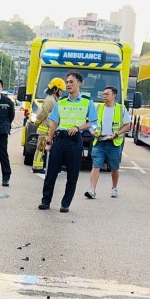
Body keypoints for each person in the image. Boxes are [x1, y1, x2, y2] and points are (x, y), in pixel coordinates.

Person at [39, 71, 97, 213]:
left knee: (72, 174)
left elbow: (93, 123)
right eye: (67, 82)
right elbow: (54, 124)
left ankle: (65, 204)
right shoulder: (61, 102)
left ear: (79, 83)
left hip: (75, 141)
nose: (68, 84)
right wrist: (49, 142)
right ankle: (45, 201)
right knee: (51, 173)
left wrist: (78, 128)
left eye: (71, 82)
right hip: (60, 139)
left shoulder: (87, 103)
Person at [85, 86, 131, 199]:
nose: (104, 96)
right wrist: (93, 132)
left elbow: (127, 125)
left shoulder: (121, 109)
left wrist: (116, 134)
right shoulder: (98, 108)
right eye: (103, 94)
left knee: (114, 167)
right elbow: (91, 123)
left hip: (114, 143)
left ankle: (114, 188)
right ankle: (92, 190)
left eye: (106, 94)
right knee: (96, 165)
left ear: (114, 96)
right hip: (99, 141)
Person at [30, 77, 65, 173]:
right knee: (41, 148)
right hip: (44, 130)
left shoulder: (54, 99)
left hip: (49, 130)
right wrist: (37, 122)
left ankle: (42, 165)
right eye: (61, 90)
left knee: (45, 149)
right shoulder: (50, 100)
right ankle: (37, 167)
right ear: (55, 89)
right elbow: (43, 113)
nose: (61, 92)